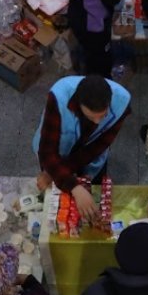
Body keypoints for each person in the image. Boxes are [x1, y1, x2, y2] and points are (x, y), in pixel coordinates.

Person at [32, 75, 131, 224]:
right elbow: (47, 152)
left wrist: (67, 180)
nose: (97, 122)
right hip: (57, 151)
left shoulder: (121, 102)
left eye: (102, 116)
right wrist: (71, 184)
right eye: (91, 116)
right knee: (58, 199)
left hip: (90, 156)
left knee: (94, 190)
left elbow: (98, 146)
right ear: (79, 105)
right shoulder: (59, 98)